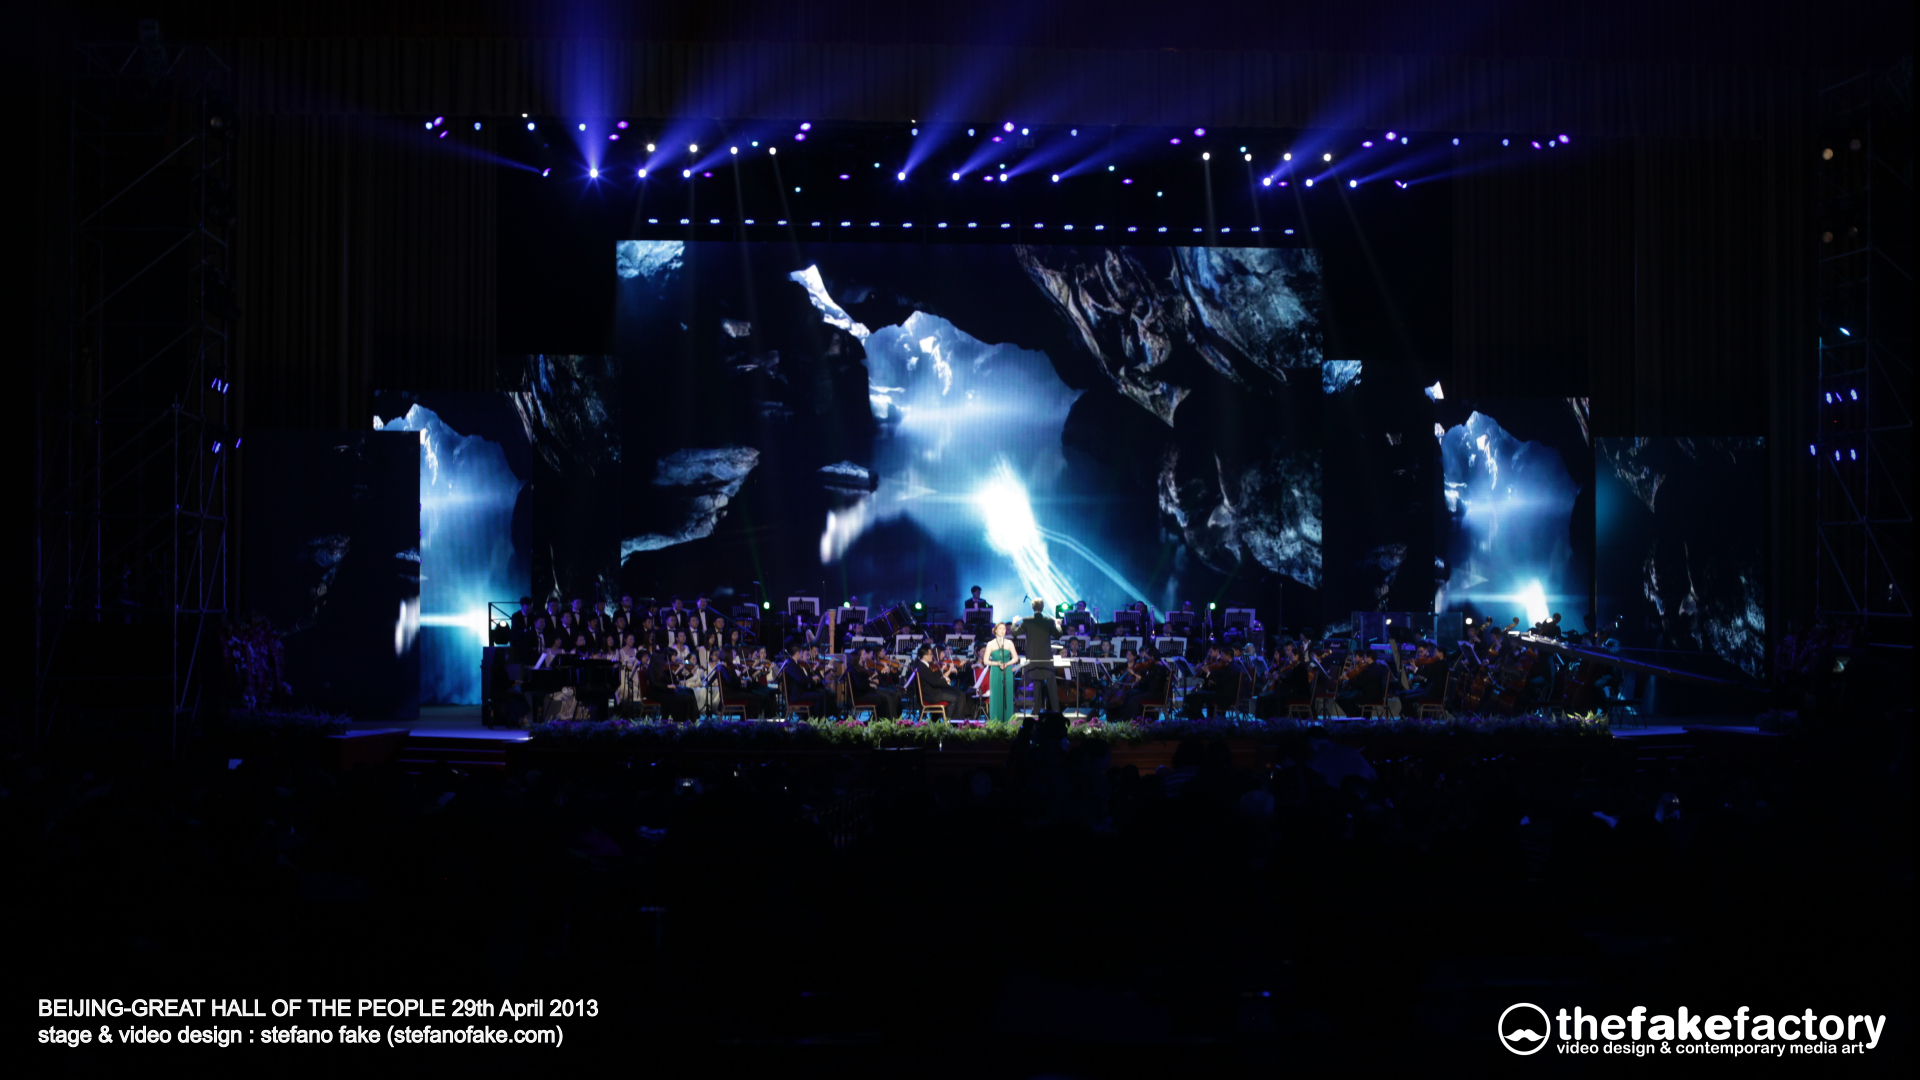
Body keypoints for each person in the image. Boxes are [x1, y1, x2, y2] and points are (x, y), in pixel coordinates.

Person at [1017, 599, 1063, 713]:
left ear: (1033, 608)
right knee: (1051, 683)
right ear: (1042, 607)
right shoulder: (1048, 621)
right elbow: (1058, 634)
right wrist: (1058, 625)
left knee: (1037, 682)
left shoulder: (1027, 620)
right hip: (1046, 658)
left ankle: (1036, 710)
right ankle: (1056, 710)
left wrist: (1013, 623)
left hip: (1033, 658)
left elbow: (1015, 632)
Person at [908, 644, 970, 719]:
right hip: (932, 695)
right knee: (955, 698)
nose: (932, 656)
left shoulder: (923, 666)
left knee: (957, 696)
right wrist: (945, 680)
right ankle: (950, 722)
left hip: (934, 693)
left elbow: (934, 678)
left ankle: (955, 721)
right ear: (925, 656)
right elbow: (934, 682)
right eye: (930, 654)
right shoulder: (923, 667)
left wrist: (942, 672)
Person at [984, 622, 1019, 723]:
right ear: (995, 630)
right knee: (996, 697)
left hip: (1007, 671)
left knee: (1007, 696)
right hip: (995, 671)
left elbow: (1016, 658)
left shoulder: (1009, 643)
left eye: (1004, 629)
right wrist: (997, 663)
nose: (1003, 630)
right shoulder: (990, 644)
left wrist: (1007, 663)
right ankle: (996, 723)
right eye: (1000, 628)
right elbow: (986, 661)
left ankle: (1008, 723)